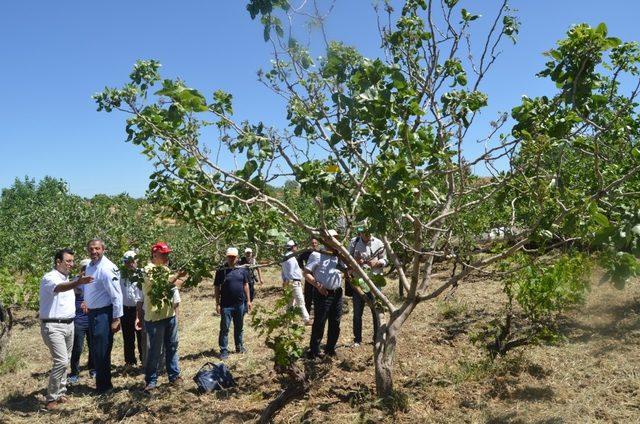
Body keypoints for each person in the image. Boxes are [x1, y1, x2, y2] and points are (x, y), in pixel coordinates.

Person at [39, 248, 93, 410]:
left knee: (65, 360)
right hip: (53, 325)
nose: (71, 264)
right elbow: (59, 288)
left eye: (72, 261)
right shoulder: (50, 278)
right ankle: (51, 398)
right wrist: (78, 282)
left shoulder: (68, 278)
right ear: (58, 262)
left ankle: (61, 392)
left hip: (69, 324)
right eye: (68, 261)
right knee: (61, 361)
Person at [137, 242, 185, 392]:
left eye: (167, 254)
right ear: (154, 255)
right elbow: (162, 284)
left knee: (172, 346)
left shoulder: (164, 269)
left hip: (169, 314)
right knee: (155, 351)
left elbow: (174, 284)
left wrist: (180, 278)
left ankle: (174, 376)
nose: (166, 257)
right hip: (155, 318)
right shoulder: (147, 270)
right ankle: (151, 380)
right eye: (163, 254)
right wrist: (177, 276)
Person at [83, 239, 123, 394]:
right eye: (91, 249)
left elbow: (116, 295)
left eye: (97, 249)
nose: (94, 252)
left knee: (102, 350)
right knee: (95, 350)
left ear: (103, 249)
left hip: (104, 314)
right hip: (92, 313)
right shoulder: (90, 266)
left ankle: (105, 386)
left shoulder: (106, 268)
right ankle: (101, 383)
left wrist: (116, 318)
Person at [303, 230, 346, 358]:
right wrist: (317, 285)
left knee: (335, 322)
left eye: (336, 238)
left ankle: (330, 349)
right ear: (325, 239)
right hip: (323, 293)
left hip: (337, 293)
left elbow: (343, 269)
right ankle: (314, 351)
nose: (334, 240)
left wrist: (346, 272)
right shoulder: (317, 254)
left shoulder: (338, 254)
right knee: (320, 322)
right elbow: (306, 273)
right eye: (332, 238)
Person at [349, 227, 386, 347]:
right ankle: (357, 339)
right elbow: (347, 260)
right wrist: (355, 261)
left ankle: (377, 337)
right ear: (360, 232)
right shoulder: (354, 242)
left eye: (368, 231)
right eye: (363, 232)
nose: (366, 234)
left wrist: (378, 263)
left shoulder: (379, 243)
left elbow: (385, 260)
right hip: (359, 282)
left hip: (375, 282)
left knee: (376, 311)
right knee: (357, 313)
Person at [214, 247, 252, 360]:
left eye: (233, 257)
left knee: (239, 327)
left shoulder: (242, 269)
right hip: (226, 305)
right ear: (226, 256)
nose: (231, 259)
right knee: (225, 328)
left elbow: (246, 285)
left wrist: (249, 301)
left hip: (240, 304)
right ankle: (224, 350)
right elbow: (217, 287)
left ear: (237, 257)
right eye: (229, 256)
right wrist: (217, 303)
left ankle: (239, 347)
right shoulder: (221, 270)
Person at [68, 259, 95, 384]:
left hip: (92, 319)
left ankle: (93, 369)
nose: (86, 270)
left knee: (93, 346)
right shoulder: (75, 281)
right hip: (78, 320)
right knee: (77, 348)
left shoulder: (94, 281)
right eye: (84, 268)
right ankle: (74, 372)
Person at [120, 250, 143, 372]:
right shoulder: (120, 275)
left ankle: (144, 359)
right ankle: (129, 361)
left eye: (132, 261)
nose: (129, 264)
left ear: (136, 261)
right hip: (125, 309)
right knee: (127, 337)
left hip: (139, 309)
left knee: (141, 335)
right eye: (127, 262)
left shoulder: (142, 274)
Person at [281, 240, 311, 325]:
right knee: (300, 301)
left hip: (290, 282)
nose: (297, 248)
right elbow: (290, 272)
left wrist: (285, 281)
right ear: (293, 247)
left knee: (290, 303)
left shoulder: (286, 257)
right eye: (296, 246)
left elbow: (283, 271)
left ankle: (289, 320)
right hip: (294, 282)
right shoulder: (290, 257)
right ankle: (306, 319)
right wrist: (288, 280)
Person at [296, 238, 319, 315]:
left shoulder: (320, 252)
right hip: (309, 276)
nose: (314, 244)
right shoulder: (306, 252)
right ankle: (307, 312)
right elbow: (299, 260)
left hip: (318, 276)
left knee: (318, 293)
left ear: (317, 244)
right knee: (308, 294)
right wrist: (303, 268)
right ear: (310, 244)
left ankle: (317, 312)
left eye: (315, 243)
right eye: (312, 243)